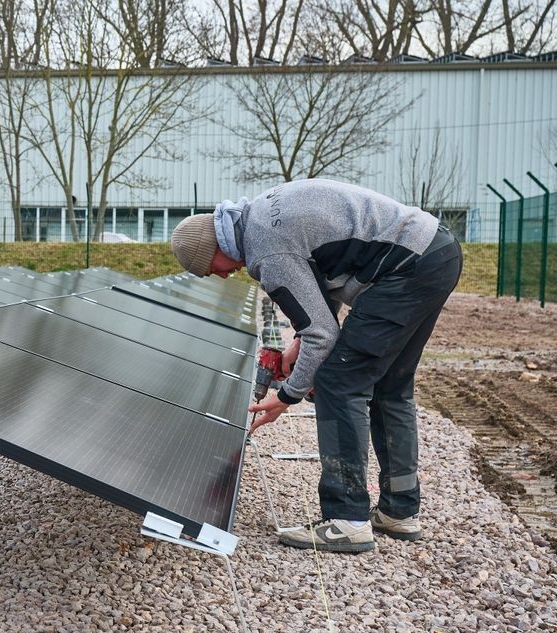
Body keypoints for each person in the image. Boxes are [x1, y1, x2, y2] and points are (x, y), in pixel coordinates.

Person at [169, 178, 462, 553]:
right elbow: (324, 280)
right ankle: (399, 511)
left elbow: (323, 333)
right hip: (435, 251)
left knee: (339, 380)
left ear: (213, 247)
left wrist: (286, 397)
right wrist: (298, 341)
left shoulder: (264, 251)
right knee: (390, 385)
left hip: (406, 268)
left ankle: (347, 519)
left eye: (210, 268)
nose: (221, 275)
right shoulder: (260, 214)